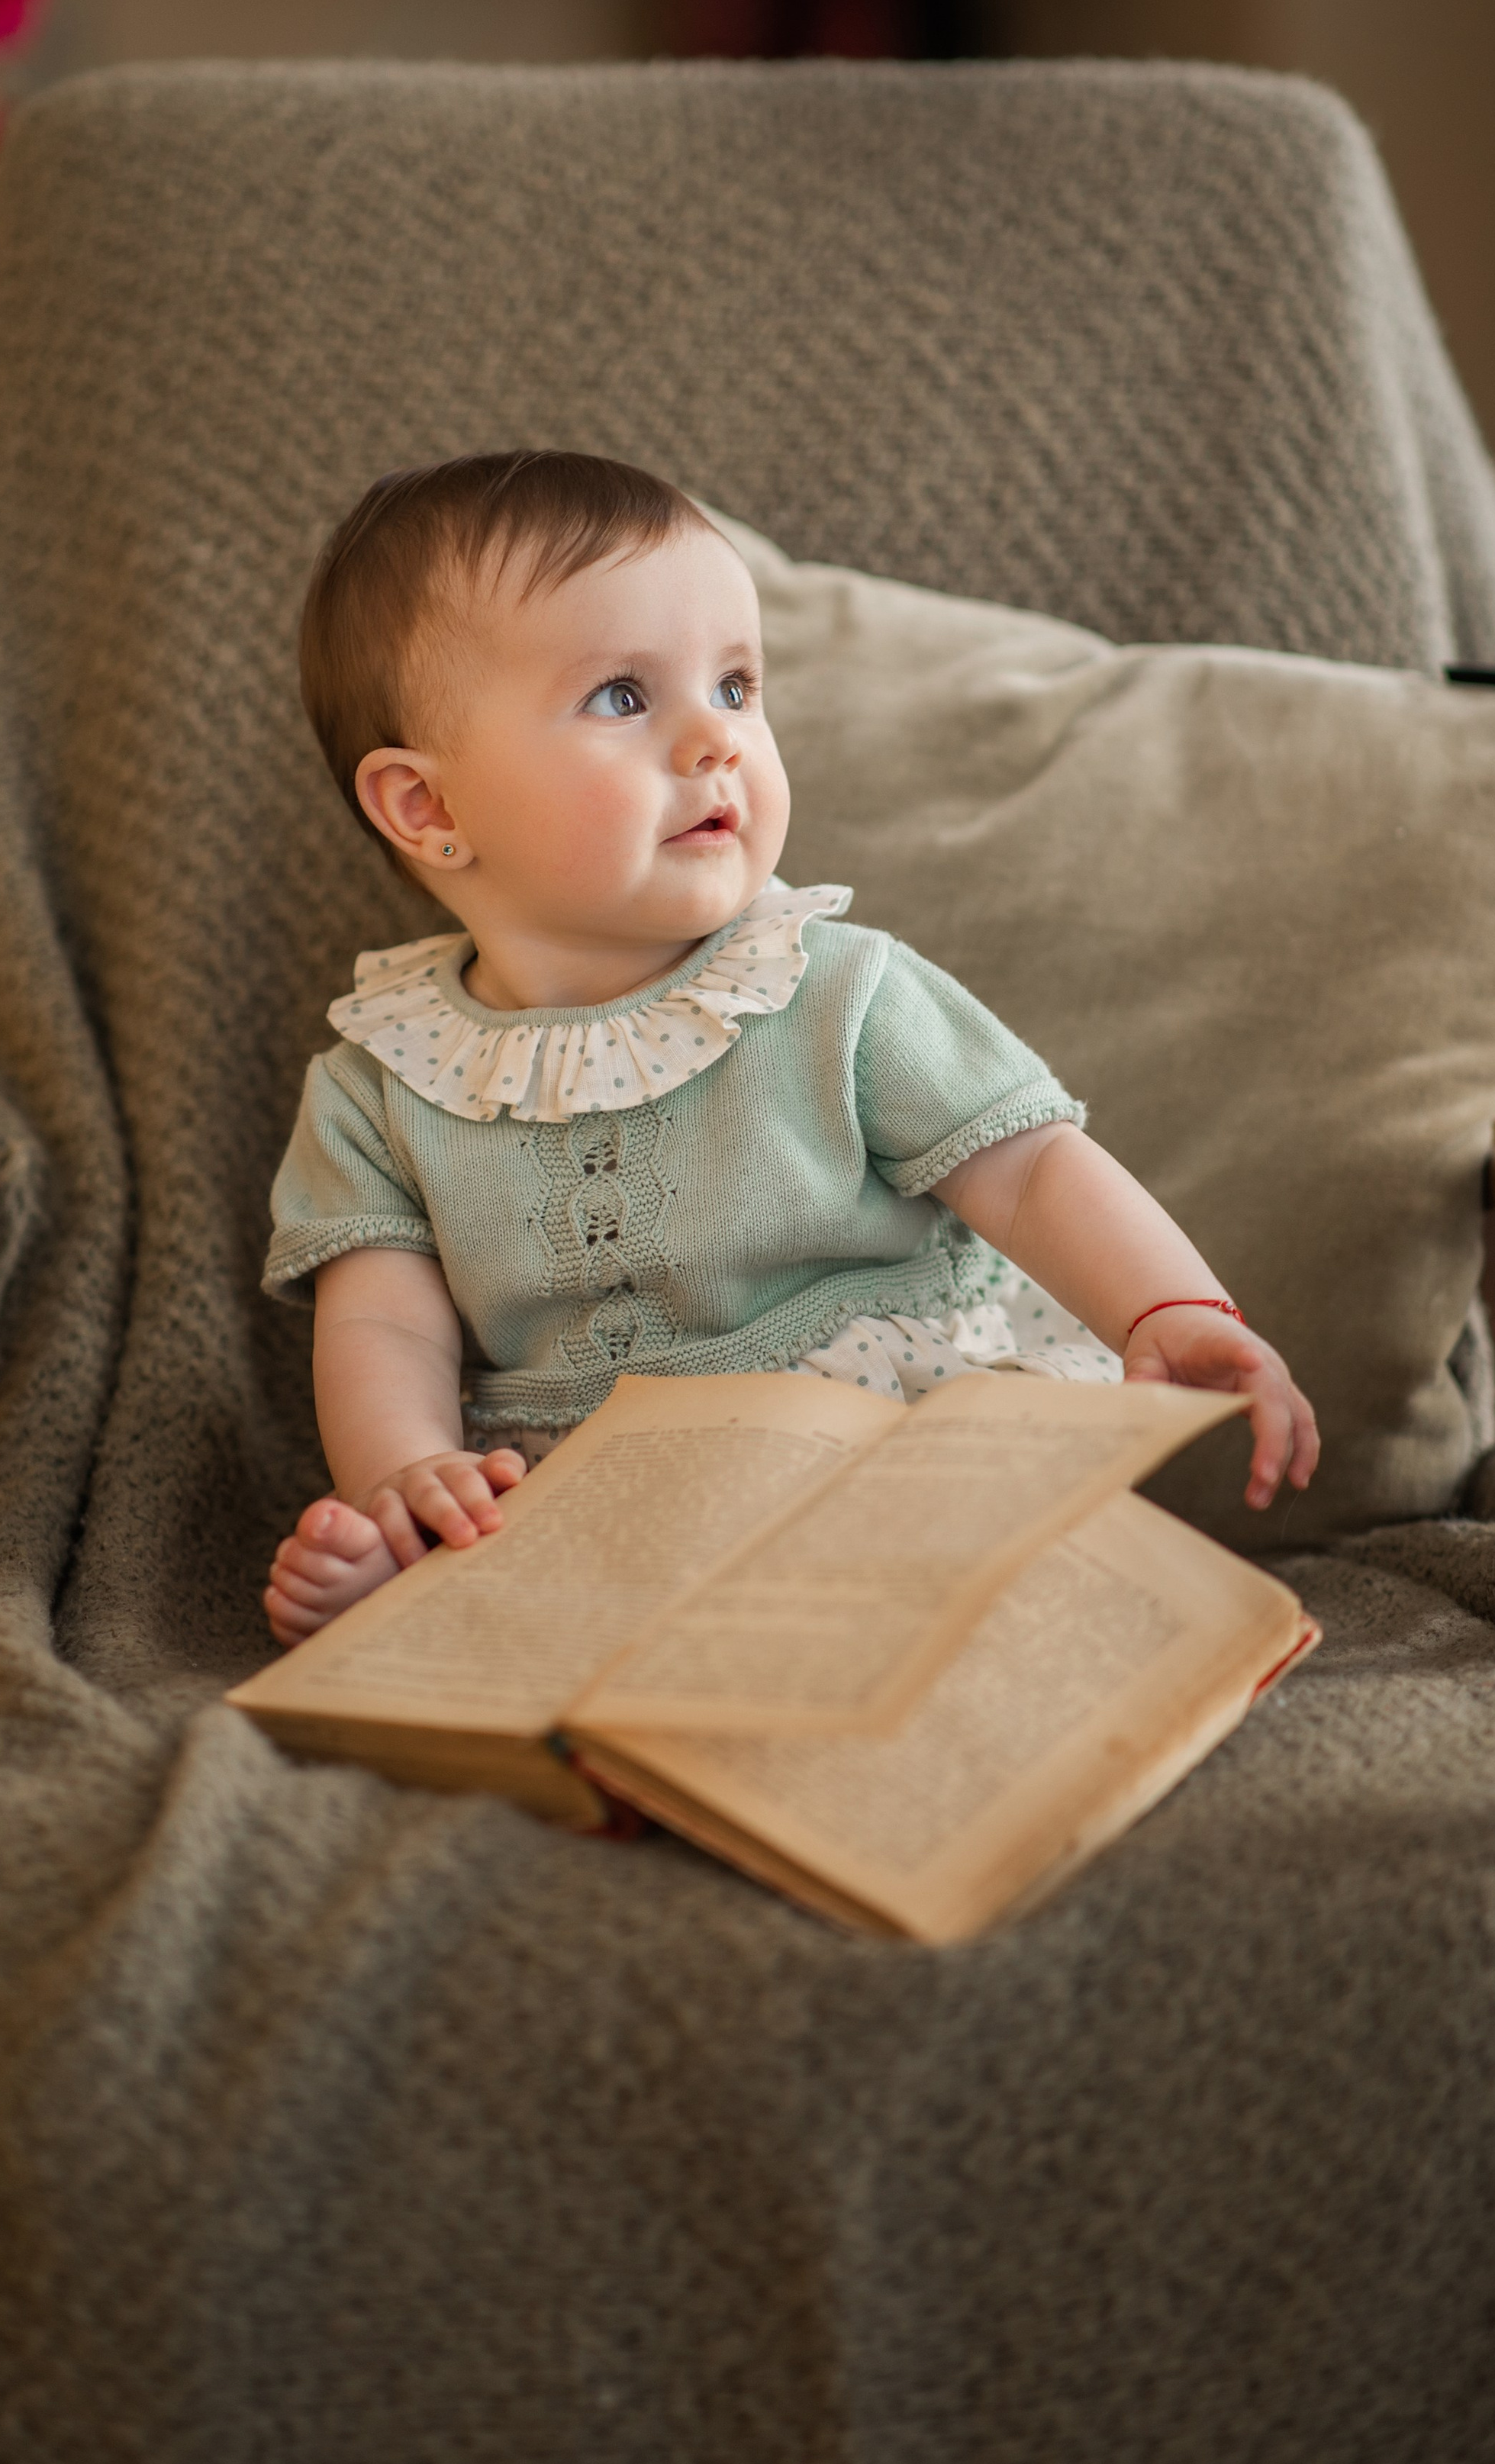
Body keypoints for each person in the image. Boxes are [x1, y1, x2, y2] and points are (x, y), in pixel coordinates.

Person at [263, 449, 1319, 1644]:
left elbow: (1028, 1169)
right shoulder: (380, 1083)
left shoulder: (835, 989)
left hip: (879, 1433)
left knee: (973, 1555)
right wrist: (402, 1478)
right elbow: (387, 1325)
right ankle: (426, 1591)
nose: (716, 741)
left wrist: (1164, 1308)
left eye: (737, 686)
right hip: (609, 1491)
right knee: (521, 1572)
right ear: (429, 809)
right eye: (622, 695)